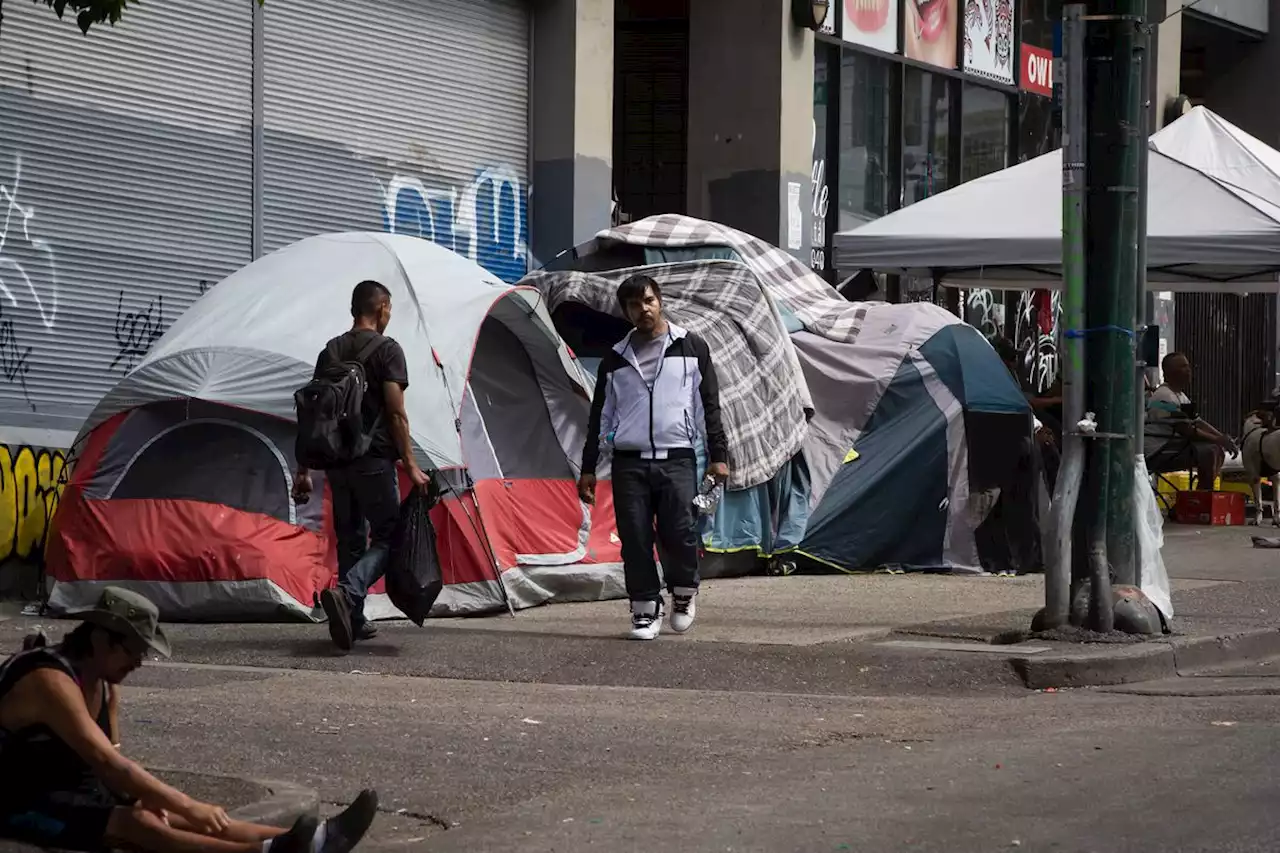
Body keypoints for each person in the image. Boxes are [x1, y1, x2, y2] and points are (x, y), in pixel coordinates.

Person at [0, 586, 378, 853]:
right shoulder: (49, 681)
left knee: (167, 815)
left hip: (69, 794)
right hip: (19, 803)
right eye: (134, 651)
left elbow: (115, 765)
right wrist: (185, 804)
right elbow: (107, 762)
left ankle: (317, 841)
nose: (139, 664)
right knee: (141, 824)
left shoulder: (104, 683)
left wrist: (150, 800)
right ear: (101, 640)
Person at [578, 274, 730, 641]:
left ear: (659, 301)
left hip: (677, 457)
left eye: (648, 301)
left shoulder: (691, 346)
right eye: (634, 304)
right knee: (634, 535)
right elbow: (600, 415)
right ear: (626, 311)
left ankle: (683, 592)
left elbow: (709, 404)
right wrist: (587, 468)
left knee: (680, 531)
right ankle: (645, 607)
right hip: (628, 462)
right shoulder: (615, 358)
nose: (642, 309)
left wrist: (718, 455)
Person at [293, 280, 432, 652]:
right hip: (373, 459)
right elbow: (396, 414)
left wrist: (303, 469)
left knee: (351, 536)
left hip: (336, 462)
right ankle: (348, 592)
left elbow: (312, 414)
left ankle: (353, 619)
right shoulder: (389, 351)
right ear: (382, 307)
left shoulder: (330, 351)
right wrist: (412, 465)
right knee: (389, 536)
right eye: (389, 309)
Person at [1146, 351, 1238, 489]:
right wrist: (1218, 440)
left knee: (1216, 450)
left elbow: (1198, 422)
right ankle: (1201, 497)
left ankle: (1200, 496)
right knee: (1210, 452)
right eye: (1183, 367)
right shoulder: (1163, 396)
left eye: (1188, 366)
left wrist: (1222, 438)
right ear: (1170, 372)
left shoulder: (1181, 396)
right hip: (1160, 451)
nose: (1188, 370)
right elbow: (1186, 430)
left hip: (1175, 446)